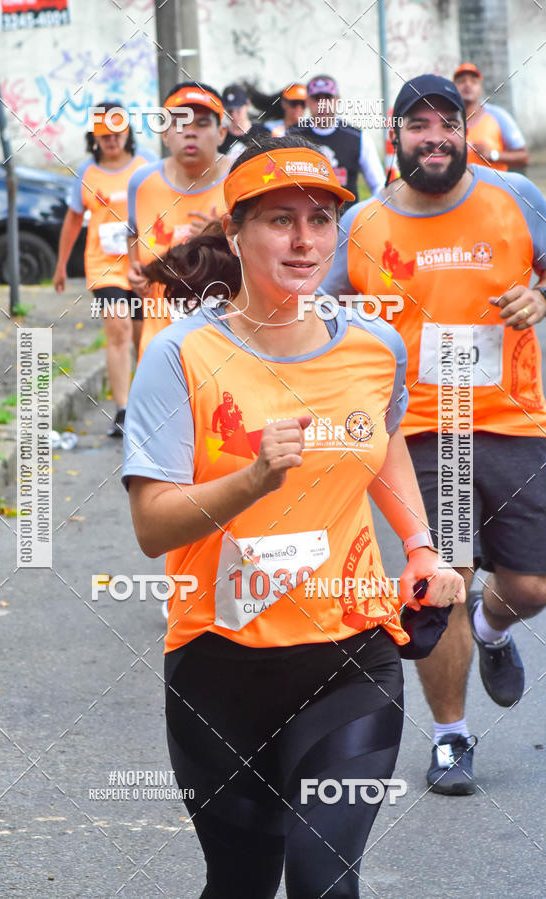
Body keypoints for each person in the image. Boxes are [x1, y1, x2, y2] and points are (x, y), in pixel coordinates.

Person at [122, 135, 464, 897]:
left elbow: (382, 443)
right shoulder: (180, 356)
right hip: (218, 665)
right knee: (242, 880)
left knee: (322, 876)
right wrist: (252, 478)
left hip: (349, 655)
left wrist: (419, 544)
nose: (305, 239)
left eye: (320, 218)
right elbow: (152, 526)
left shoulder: (374, 347)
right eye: (280, 219)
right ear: (237, 231)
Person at [321, 73, 546, 796]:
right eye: (417, 125)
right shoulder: (361, 224)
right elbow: (317, 310)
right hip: (421, 429)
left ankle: (493, 627)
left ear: (463, 130)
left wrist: (540, 293)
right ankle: (451, 739)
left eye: (446, 122)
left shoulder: (517, 198)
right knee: (439, 580)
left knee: (532, 584)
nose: (435, 136)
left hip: (515, 417)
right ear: (396, 138)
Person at [54, 102, 156, 437]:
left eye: (117, 134)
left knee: (144, 336)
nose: (111, 141)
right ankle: (124, 410)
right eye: (104, 136)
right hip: (104, 266)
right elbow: (72, 220)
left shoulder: (147, 164)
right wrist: (60, 267)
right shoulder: (86, 172)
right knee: (119, 330)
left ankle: (147, 403)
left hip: (143, 263)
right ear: (94, 137)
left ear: (127, 133)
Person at [126, 82, 231, 359]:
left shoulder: (241, 182)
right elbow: (132, 233)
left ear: (221, 133)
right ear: (164, 134)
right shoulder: (141, 181)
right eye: (180, 123)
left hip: (225, 349)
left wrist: (219, 239)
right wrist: (135, 273)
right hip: (159, 347)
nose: (190, 132)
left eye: (202, 123)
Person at [290, 74, 385, 203]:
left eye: (328, 98)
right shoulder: (291, 136)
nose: (322, 104)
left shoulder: (358, 137)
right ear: (307, 102)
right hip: (304, 217)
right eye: (316, 99)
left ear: (337, 100)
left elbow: (379, 186)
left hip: (347, 219)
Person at [453, 62, 529, 171]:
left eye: (474, 81)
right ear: (453, 87)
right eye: (461, 81)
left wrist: (493, 155)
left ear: (480, 88)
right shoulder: (445, 119)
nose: (467, 84)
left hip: (494, 186)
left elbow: (524, 157)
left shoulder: (498, 115)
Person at [217, 84, 270, 159]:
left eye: (238, 110)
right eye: (230, 111)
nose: (234, 115)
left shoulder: (262, 132)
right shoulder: (220, 137)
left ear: (248, 104)